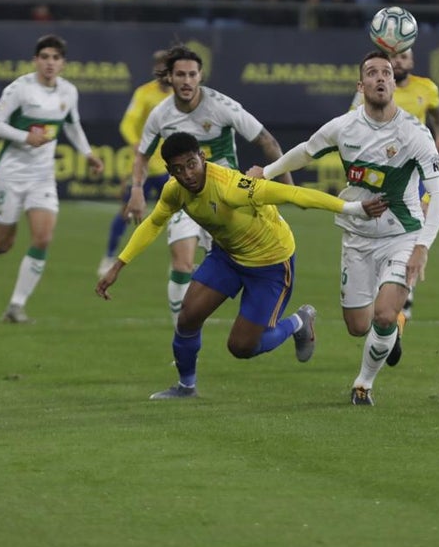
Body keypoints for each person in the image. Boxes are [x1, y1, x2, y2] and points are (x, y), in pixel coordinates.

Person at [96, 133, 388, 399]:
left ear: (203, 157)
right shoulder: (174, 191)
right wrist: (118, 265)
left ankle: (299, 322)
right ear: (170, 172)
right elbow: (153, 223)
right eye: (178, 170)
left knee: (241, 347)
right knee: (187, 318)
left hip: (271, 263)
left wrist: (352, 208)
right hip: (229, 257)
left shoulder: (231, 188)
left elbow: (293, 195)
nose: (187, 174)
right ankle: (186, 387)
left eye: (191, 164)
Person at [250, 50, 439, 406]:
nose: (380, 78)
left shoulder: (413, 133)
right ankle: (385, 330)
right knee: (359, 326)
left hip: (401, 236)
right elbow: (306, 151)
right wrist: (266, 172)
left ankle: (363, 384)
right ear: (361, 85)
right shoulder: (345, 126)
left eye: (386, 73)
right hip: (357, 237)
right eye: (372, 73)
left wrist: (423, 247)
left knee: (385, 315)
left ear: (392, 83)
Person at [124, 44, 293, 327]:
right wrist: (137, 190)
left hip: (226, 199)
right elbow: (142, 154)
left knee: (240, 264)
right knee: (180, 263)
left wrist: (286, 186)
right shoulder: (160, 115)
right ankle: (182, 340)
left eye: (192, 74)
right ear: (170, 78)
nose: (187, 80)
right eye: (180, 75)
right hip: (185, 197)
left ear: (200, 76)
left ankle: (282, 320)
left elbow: (268, 141)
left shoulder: (221, 106)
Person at [0, 34, 104, 322]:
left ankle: (16, 306)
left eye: (55, 58)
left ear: (63, 64)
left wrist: (87, 153)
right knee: (3, 243)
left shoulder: (68, 92)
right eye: (45, 57)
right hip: (11, 174)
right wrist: (26, 136)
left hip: (42, 176)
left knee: (42, 238)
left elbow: (72, 125)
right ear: (35, 61)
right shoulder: (20, 89)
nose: (50, 63)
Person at [348, 47, 439, 345]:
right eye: (397, 58)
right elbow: (353, 117)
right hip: (380, 173)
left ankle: (402, 298)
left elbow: (437, 110)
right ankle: (389, 296)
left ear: (412, 61)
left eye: (406, 57)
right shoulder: (377, 89)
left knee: (412, 230)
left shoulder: (427, 87)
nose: (401, 62)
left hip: (412, 173)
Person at [97, 50, 173, 277]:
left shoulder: (182, 95)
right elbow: (127, 123)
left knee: (182, 215)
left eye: (167, 68)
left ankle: (180, 261)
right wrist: (134, 142)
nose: (163, 73)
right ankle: (109, 256)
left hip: (172, 166)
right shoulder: (144, 93)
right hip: (145, 166)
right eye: (159, 68)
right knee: (127, 212)